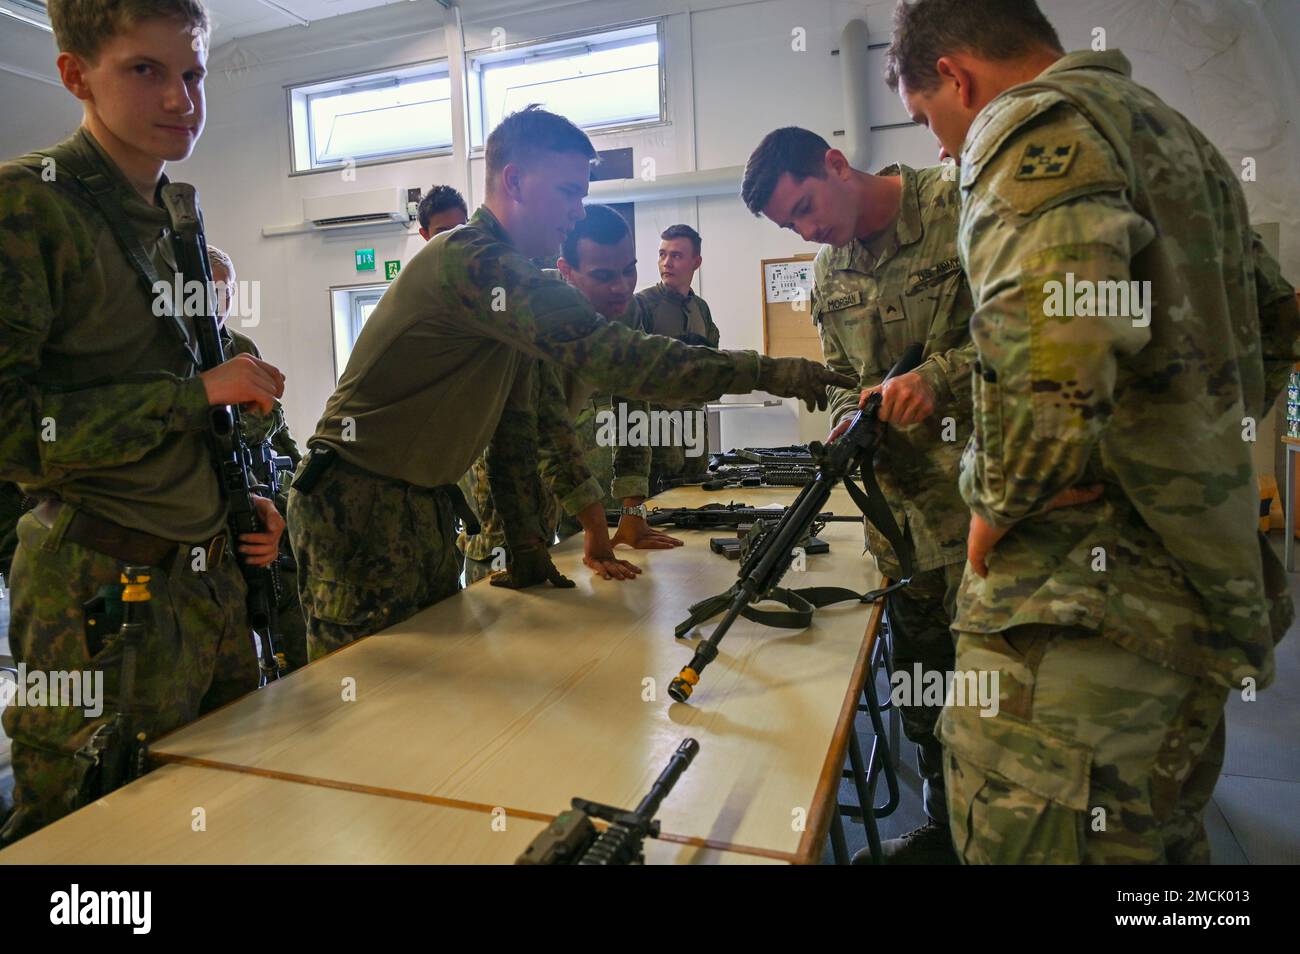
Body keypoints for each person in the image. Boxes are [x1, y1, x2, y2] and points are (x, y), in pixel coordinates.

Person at [887, 0, 1299, 863]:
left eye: (930, 117)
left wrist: (995, 500)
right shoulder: (1176, 136)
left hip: (1077, 608)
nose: (940, 146)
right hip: (1188, 583)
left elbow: (1050, 340)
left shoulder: (1030, 128)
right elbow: (1274, 319)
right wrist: (1183, 443)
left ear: (957, 77)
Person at [287, 104, 851, 661]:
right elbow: (618, 358)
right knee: (362, 704)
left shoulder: (507, 284)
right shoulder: (472, 261)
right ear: (513, 180)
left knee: (430, 692)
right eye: (567, 192)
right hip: (357, 506)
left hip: (418, 506)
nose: (577, 213)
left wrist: (530, 550)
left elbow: (517, 425)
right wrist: (772, 371)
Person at [0, 0, 286, 845]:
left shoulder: (176, 219)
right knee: (93, 843)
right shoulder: (28, 207)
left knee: (229, 818)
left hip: (208, 578)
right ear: (75, 75)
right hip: (94, 590)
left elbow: (179, 397)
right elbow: (11, 430)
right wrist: (196, 395)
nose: (181, 99)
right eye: (146, 71)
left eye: (192, 73)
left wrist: (242, 506)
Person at [742, 125, 975, 863]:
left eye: (808, 206)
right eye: (793, 224)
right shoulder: (826, 274)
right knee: (924, 689)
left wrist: (936, 380)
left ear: (836, 164)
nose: (809, 229)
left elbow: (1027, 334)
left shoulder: (959, 206)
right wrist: (851, 417)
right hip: (899, 528)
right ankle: (944, 825)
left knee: (1003, 695)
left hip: (986, 513)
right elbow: (844, 382)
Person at [457, 204, 682, 584]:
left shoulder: (626, 309)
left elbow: (633, 406)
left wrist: (632, 510)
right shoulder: (531, 309)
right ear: (566, 272)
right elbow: (545, 431)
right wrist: (595, 525)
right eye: (604, 275)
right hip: (497, 459)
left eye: (629, 270)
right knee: (507, 574)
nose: (621, 287)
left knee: (557, 571)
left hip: (556, 455)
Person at [208, 245, 307, 672]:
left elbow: (278, 433)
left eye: (222, 293)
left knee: (293, 632)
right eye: (203, 292)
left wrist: (293, 492)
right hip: (210, 523)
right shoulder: (168, 357)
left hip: (262, 508)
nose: (214, 304)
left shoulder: (240, 348)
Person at [635, 225, 720, 489]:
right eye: (662, 254)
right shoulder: (642, 305)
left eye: (676, 256)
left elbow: (712, 360)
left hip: (693, 422)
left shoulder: (700, 309)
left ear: (696, 262)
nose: (666, 263)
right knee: (658, 500)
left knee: (695, 495)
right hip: (655, 428)